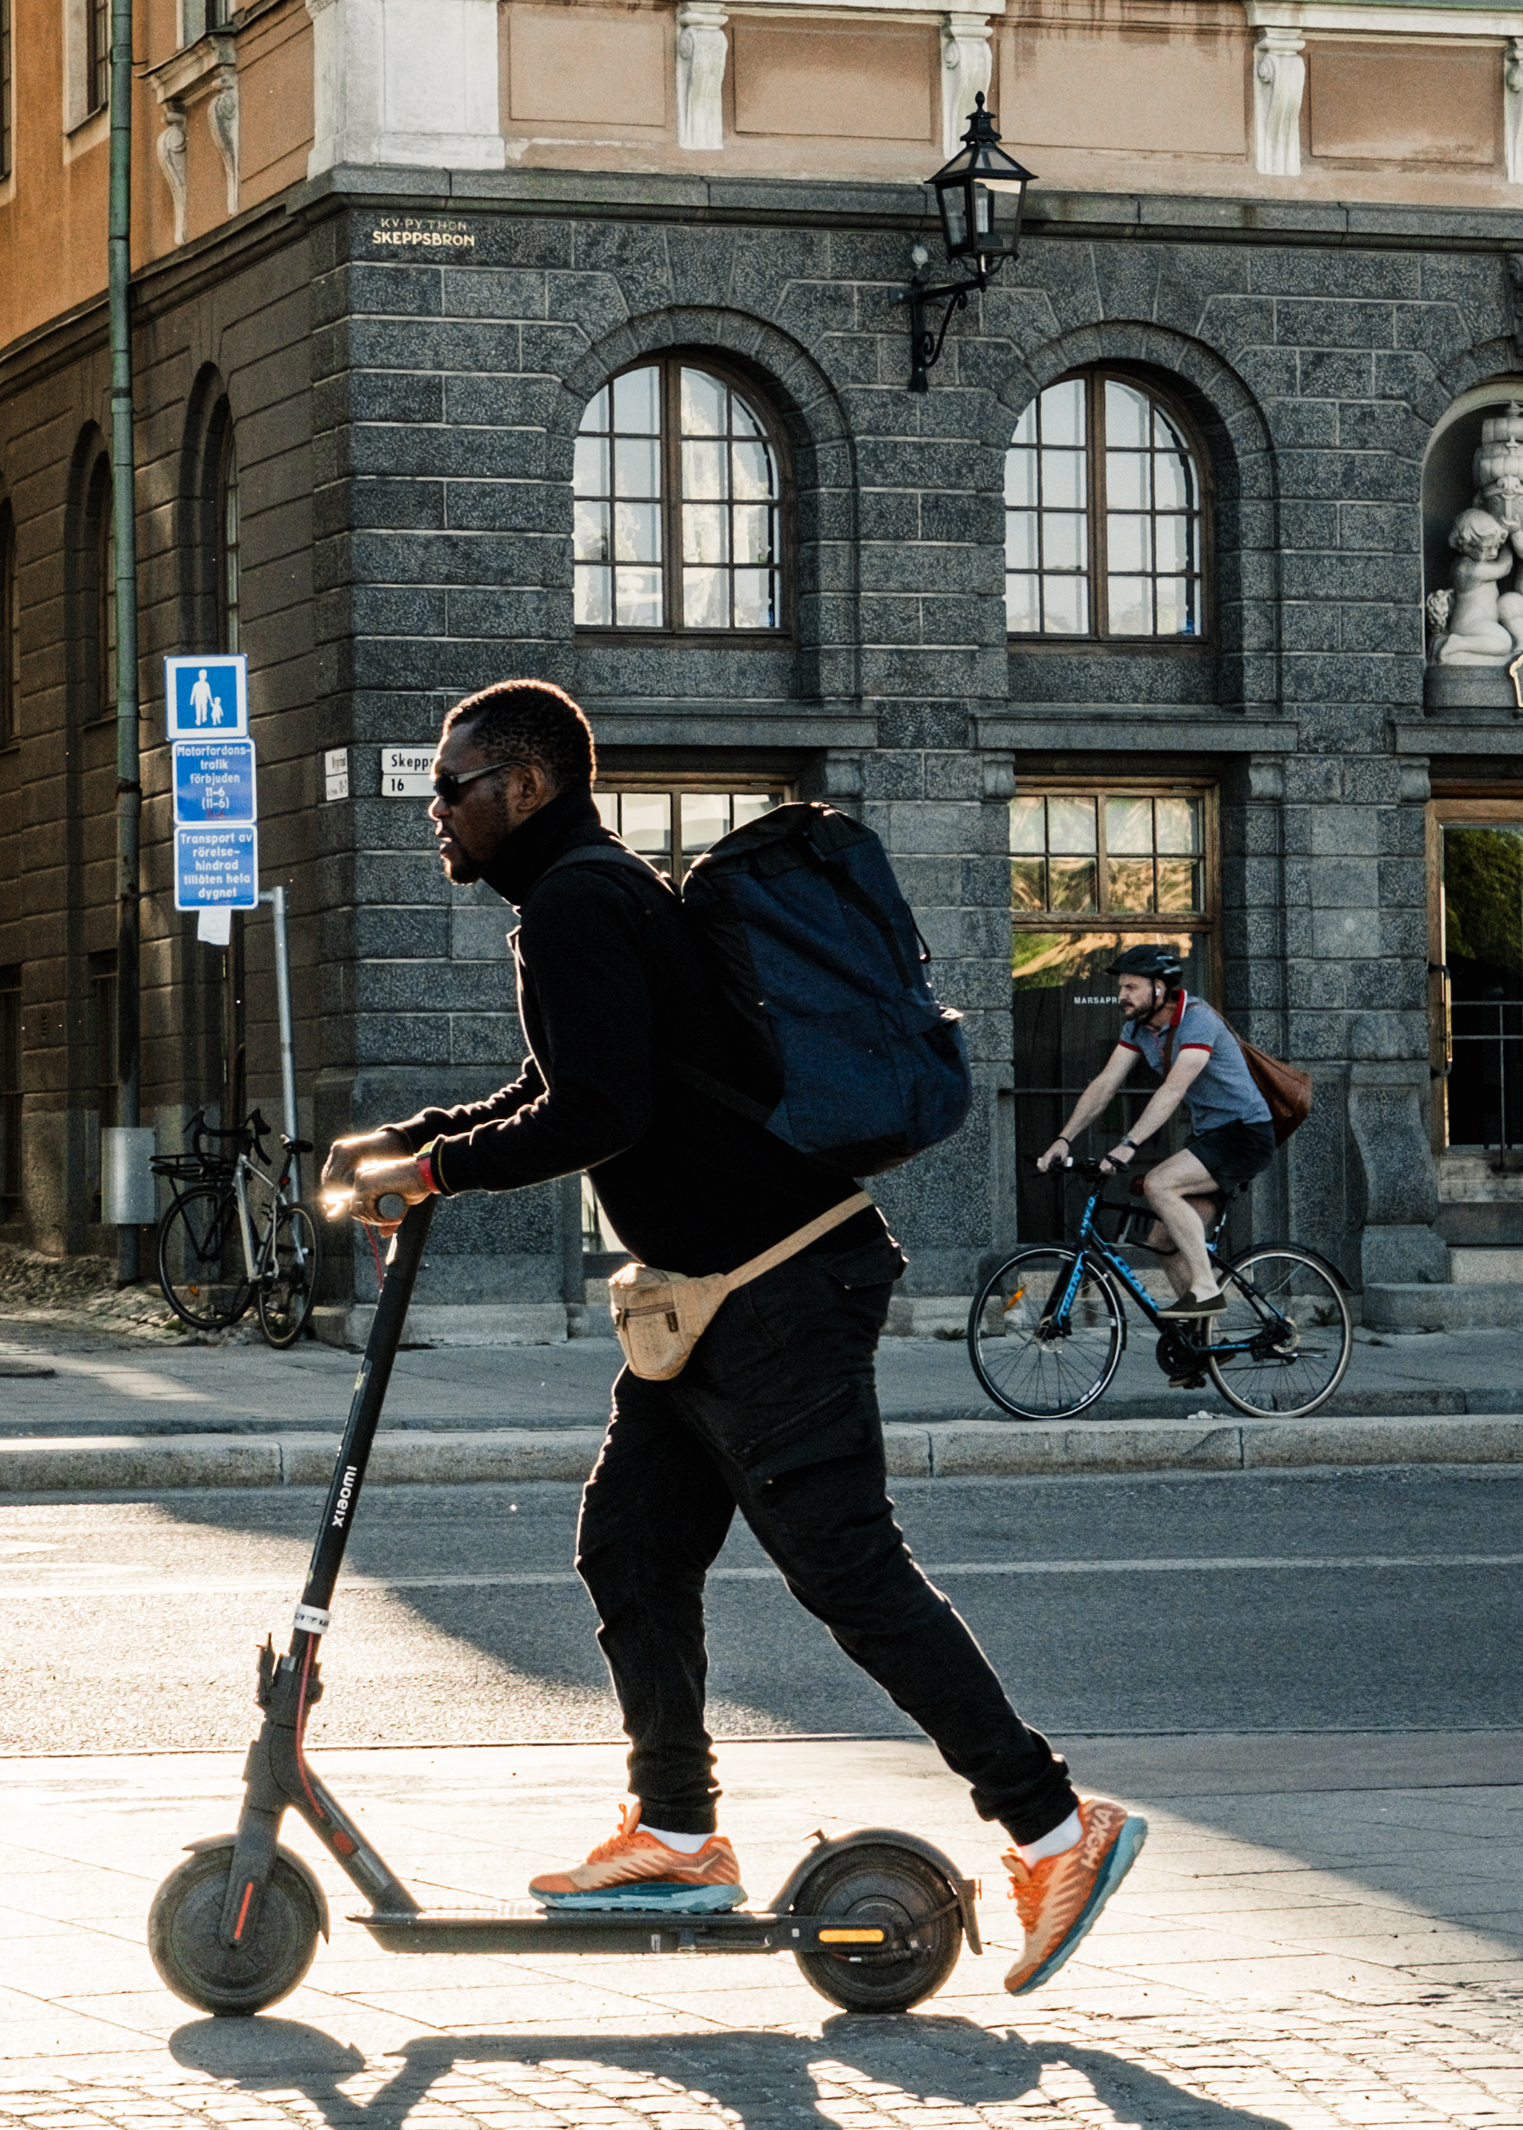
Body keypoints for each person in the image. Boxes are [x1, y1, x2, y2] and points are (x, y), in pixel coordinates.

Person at [328, 680, 1141, 1998]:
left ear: (524, 786)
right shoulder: (591, 892)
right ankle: (677, 1834)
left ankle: (1055, 1824)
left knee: (849, 1571)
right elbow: (574, 1087)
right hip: (713, 1296)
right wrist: (418, 1140)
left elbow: (593, 1109)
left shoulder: (579, 902)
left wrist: (433, 1177)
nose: (436, 811)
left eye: (453, 786)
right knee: (631, 1549)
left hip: (775, 1289)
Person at [1040, 941, 1274, 1326]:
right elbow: (1104, 1085)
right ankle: (1201, 1346)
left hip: (1244, 1133)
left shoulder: (1198, 1020)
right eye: (1121, 988)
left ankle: (1206, 1288)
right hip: (1208, 1137)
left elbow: (1173, 1090)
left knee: (1159, 1185)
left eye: (1131, 987)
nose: (1122, 996)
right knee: (1163, 1241)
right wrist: (1063, 1138)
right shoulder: (1138, 1028)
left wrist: (1127, 1146)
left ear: (1160, 989)